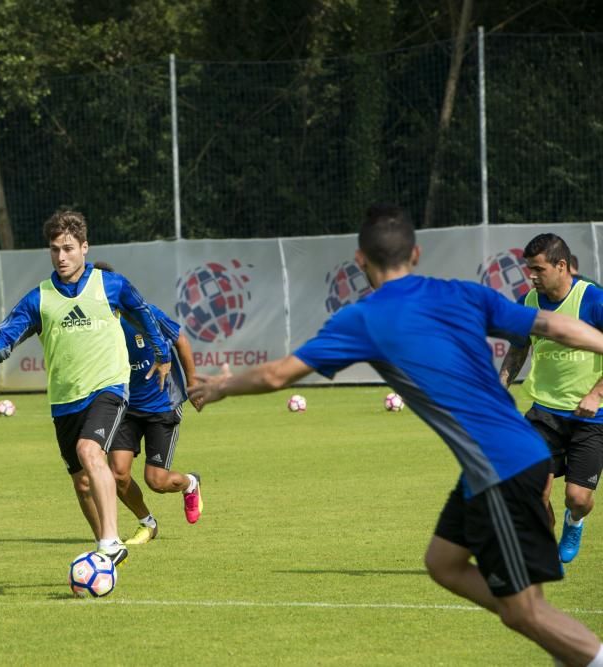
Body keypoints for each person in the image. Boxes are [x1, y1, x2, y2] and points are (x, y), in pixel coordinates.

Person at [188, 205, 603, 666]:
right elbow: (554, 326)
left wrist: (219, 385)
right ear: (417, 253)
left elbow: (276, 376)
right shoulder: (460, 293)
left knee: (525, 612)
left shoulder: (363, 318)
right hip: (498, 461)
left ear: (360, 259)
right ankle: (532, 618)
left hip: (500, 466)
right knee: (442, 564)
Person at [0, 210, 171, 567]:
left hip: (108, 387)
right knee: (81, 484)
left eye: (68, 248)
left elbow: (144, 314)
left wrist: (162, 352)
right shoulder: (40, 298)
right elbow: (8, 334)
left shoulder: (111, 285)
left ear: (84, 248)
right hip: (64, 400)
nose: (61, 257)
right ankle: (104, 553)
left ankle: (109, 542)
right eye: (54, 250)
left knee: (89, 450)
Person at [499, 234, 603, 567]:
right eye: (529, 269)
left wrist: (596, 393)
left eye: (538, 269)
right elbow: (518, 348)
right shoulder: (528, 303)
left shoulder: (593, 300)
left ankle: (575, 521)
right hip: (544, 414)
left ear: (561, 266)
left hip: (593, 418)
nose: (531, 275)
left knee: (578, 498)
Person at [91, 261, 203, 546]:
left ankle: (190, 483)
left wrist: (192, 384)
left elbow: (182, 341)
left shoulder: (146, 314)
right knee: (117, 474)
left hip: (162, 404)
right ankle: (147, 523)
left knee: (157, 481)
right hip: (125, 406)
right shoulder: (94, 326)